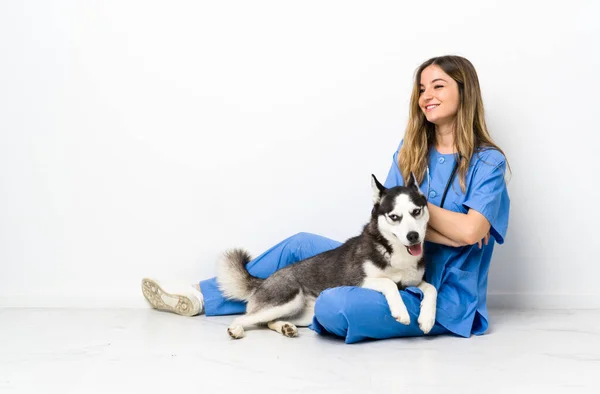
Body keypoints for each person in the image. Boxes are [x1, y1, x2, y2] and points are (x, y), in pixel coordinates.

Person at [141, 55, 510, 344]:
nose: (426, 96)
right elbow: (387, 225)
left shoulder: (488, 161)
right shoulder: (411, 151)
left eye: (438, 86)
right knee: (299, 245)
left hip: (440, 296)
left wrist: (426, 224)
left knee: (335, 304)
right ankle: (200, 298)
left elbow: (465, 230)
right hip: (388, 268)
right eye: (421, 89)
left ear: (465, 91)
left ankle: (294, 309)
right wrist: (452, 231)